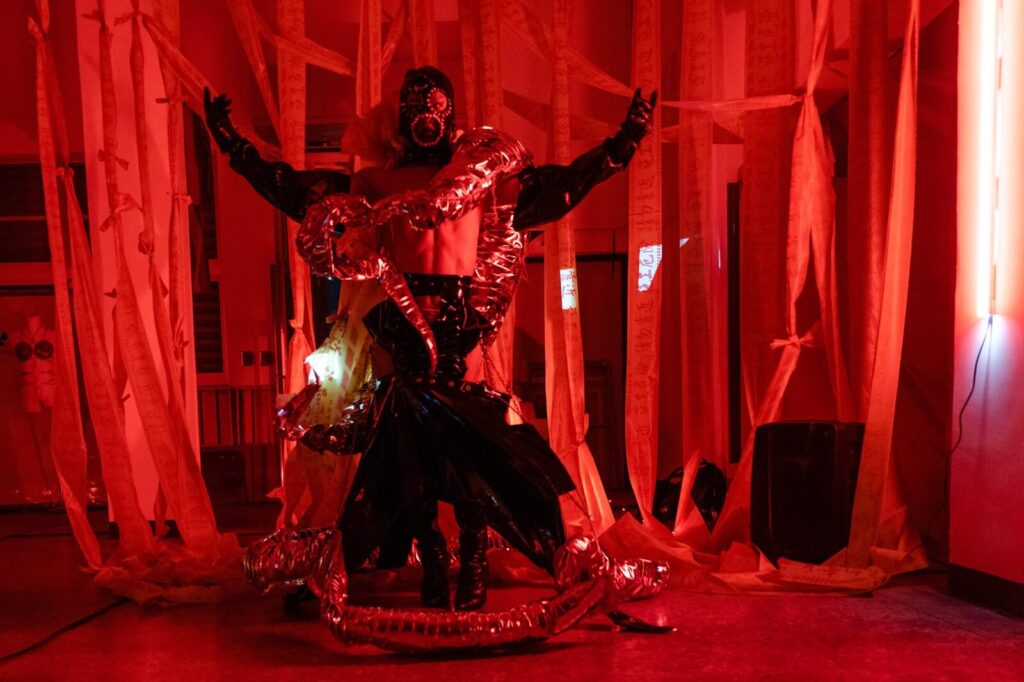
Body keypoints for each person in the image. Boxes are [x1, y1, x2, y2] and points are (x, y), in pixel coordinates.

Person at [205, 67, 656, 611]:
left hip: (459, 326)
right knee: (405, 441)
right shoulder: (376, 183)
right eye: (415, 107)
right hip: (400, 320)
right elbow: (300, 194)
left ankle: (472, 554)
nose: (426, 118)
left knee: (469, 441)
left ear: (450, 112)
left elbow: (559, 189)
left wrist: (621, 145)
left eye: (435, 106)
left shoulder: (479, 179)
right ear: (400, 117)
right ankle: (434, 553)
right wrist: (235, 148)